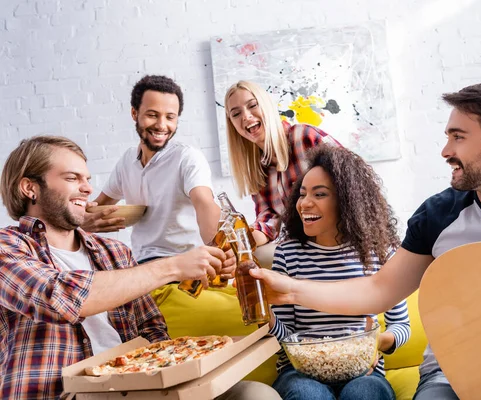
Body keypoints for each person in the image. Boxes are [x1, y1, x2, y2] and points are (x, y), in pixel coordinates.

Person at [248, 80, 481, 399]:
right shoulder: (438, 216)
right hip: (454, 378)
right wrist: (290, 290)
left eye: (458, 137)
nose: (445, 150)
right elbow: (378, 290)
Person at [0, 136, 281, 400]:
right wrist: (172, 267)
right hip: (59, 392)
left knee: (253, 394)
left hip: (139, 388)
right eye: (72, 178)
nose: (87, 188)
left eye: (86, 178)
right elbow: (59, 298)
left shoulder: (114, 253)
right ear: (29, 187)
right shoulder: (9, 247)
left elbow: (154, 332)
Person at [268, 145, 410, 400]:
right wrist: (265, 319)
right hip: (300, 371)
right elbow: (286, 334)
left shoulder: (379, 253)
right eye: (302, 194)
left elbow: (401, 325)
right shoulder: (288, 254)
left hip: (363, 371)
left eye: (319, 194)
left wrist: (378, 341)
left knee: (364, 394)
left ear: (347, 201)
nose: (305, 203)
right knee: (307, 395)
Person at [83, 75, 223, 267]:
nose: (161, 125)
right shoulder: (127, 161)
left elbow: (204, 203)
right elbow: (99, 207)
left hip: (186, 264)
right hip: (142, 265)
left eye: (170, 117)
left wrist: (218, 251)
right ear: (134, 113)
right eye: (152, 114)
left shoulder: (187, 157)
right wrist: (81, 222)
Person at [224, 80, 341, 264]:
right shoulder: (256, 168)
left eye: (252, 105)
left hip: (339, 235)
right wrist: (244, 241)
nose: (245, 117)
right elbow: (270, 218)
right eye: (236, 114)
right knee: (256, 258)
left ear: (266, 106)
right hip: (304, 243)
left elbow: (353, 180)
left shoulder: (304, 137)